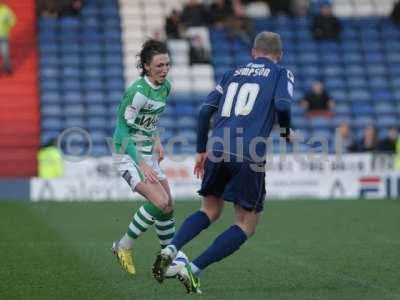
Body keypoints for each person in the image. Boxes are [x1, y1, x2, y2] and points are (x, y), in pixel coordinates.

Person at [152, 31, 294, 293]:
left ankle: (171, 249)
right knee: (246, 223)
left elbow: (204, 111)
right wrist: (286, 132)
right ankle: (192, 270)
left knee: (209, 209)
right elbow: (283, 106)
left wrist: (200, 149)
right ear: (279, 55)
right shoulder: (280, 72)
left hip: (216, 147)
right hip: (248, 151)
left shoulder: (234, 72)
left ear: (253, 52)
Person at [111, 39, 176, 275]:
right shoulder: (136, 92)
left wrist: (157, 141)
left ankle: (167, 259)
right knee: (160, 202)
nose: (164, 70)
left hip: (148, 151)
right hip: (127, 153)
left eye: (167, 65)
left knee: (169, 206)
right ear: (146, 66)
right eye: (159, 66)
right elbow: (121, 131)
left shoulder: (165, 87)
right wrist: (141, 163)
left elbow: (151, 120)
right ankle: (123, 246)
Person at [0, 2, 16, 74]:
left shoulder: (6, 11)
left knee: (5, 53)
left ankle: (7, 68)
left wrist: (7, 27)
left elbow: (13, 20)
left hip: (3, 36)